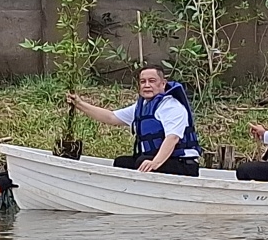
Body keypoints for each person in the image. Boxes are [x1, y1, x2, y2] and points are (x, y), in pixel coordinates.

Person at [67, 66, 202, 177]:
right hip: (159, 160)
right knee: (122, 162)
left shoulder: (172, 107)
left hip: (184, 164)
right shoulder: (142, 106)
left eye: (152, 81)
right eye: (143, 82)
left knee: (142, 161)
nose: (147, 85)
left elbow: (172, 138)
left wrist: (154, 163)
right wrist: (79, 104)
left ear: (163, 84)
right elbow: (111, 117)